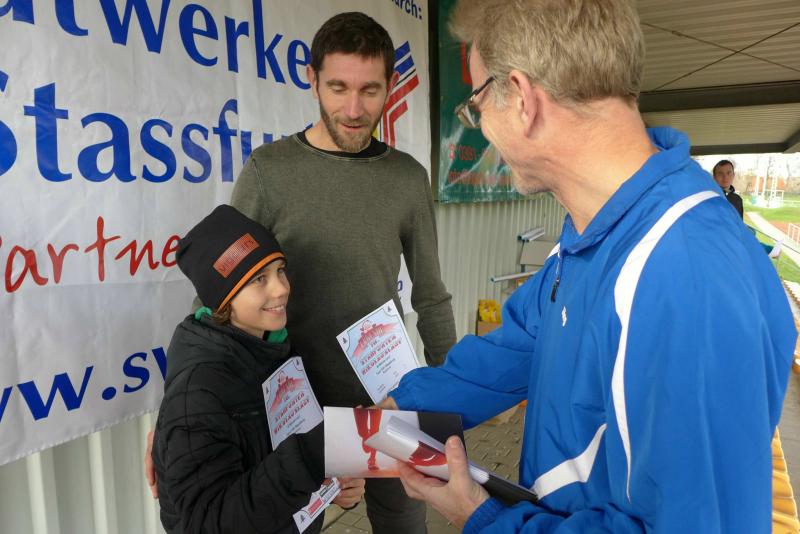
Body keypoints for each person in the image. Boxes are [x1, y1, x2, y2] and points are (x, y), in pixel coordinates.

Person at [381, 1, 797, 532]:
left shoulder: (687, 279)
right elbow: (519, 345)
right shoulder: (598, 228)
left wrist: (483, 518)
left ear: (523, 99)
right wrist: (399, 410)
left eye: (477, 103)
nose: (480, 125)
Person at [146, 12, 456, 533]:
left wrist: (454, 400)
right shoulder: (268, 172)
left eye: (369, 90)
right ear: (312, 79)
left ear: (390, 86)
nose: (353, 109)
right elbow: (218, 294)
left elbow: (431, 297)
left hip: (388, 401)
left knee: (405, 522)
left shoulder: (407, 178)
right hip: (291, 413)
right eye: (338, 88)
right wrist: (178, 421)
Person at [151, 205, 364, 534]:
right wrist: (313, 458)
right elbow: (206, 523)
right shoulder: (198, 390)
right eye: (258, 279)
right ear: (223, 299)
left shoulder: (275, 348)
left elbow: (276, 467)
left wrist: (334, 487)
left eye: (280, 270)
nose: (281, 288)